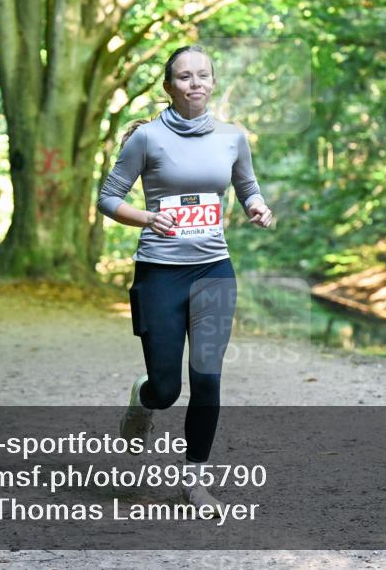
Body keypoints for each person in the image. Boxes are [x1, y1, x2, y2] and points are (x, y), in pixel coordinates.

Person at [96, 45, 273, 511]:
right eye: (184, 76)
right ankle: (143, 396)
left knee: (208, 379)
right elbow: (108, 197)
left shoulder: (233, 137)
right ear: (169, 86)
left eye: (203, 75)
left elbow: (246, 184)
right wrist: (145, 218)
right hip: (159, 273)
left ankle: (194, 482)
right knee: (167, 389)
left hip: (214, 270)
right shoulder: (147, 139)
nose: (195, 83)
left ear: (212, 82)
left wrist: (255, 204)